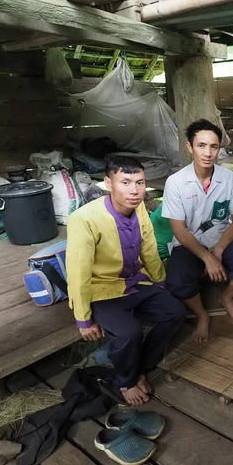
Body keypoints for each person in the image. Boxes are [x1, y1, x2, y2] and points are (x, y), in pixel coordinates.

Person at [66, 156, 187, 407]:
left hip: (134, 282)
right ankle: (127, 381)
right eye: (125, 182)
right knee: (128, 333)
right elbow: (78, 271)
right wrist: (83, 319)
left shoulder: (138, 207)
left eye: (140, 183)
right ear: (108, 183)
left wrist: (160, 282)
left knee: (175, 311)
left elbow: (149, 248)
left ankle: (142, 366)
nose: (134, 191)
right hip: (103, 289)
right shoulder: (84, 219)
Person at [162, 119, 233, 342]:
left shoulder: (228, 178)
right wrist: (207, 258)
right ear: (189, 147)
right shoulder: (176, 182)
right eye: (201, 145)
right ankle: (202, 315)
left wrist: (218, 250)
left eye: (214, 146)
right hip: (189, 241)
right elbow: (179, 230)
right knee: (177, 281)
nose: (208, 153)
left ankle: (227, 297)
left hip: (220, 236)